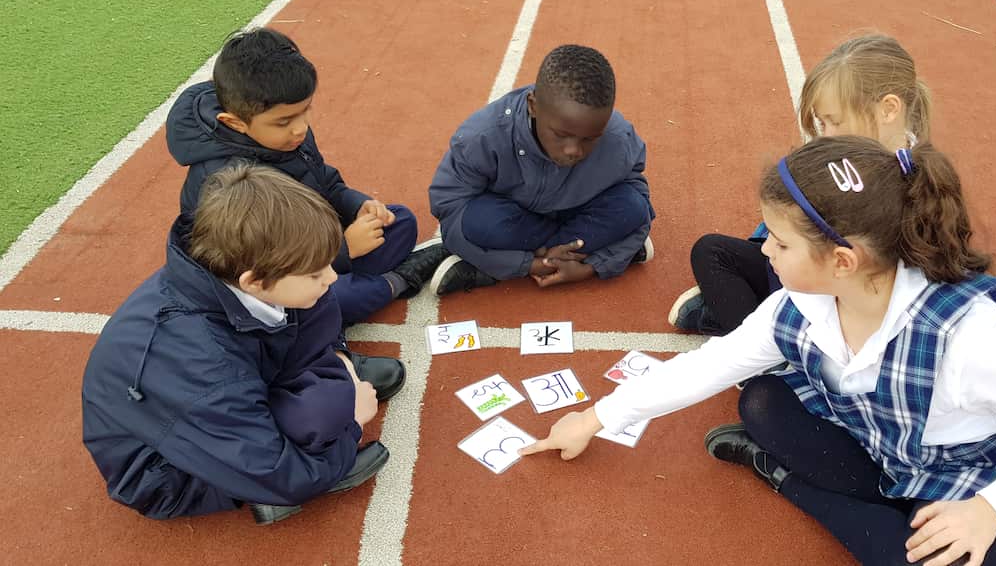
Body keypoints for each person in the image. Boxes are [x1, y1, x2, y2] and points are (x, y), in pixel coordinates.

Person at [523, 137, 996, 566]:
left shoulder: (965, 339)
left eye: (778, 240)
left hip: (968, 472)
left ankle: (786, 480)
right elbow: (707, 367)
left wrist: (991, 510)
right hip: (880, 446)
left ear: (842, 261)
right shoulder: (795, 308)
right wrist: (593, 418)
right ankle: (867, 501)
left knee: (951, 559)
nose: (764, 250)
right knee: (761, 403)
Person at [82, 165, 404, 526]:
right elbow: (283, 473)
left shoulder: (236, 269)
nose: (331, 276)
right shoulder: (205, 368)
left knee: (325, 369)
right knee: (327, 413)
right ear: (254, 282)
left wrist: (341, 359)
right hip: (165, 474)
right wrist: (354, 425)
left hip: (230, 387)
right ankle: (253, 492)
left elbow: (315, 318)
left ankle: (319, 411)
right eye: (316, 272)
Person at [166, 27, 447, 326]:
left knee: (399, 221)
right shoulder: (226, 181)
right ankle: (398, 280)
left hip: (315, 241)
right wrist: (343, 250)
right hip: (269, 277)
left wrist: (357, 204)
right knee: (334, 299)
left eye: (306, 111)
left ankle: (350, 282)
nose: (301, 128)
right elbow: (258, 267)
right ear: (234, 123)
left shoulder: (285, 134)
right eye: (285, 121)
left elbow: (323, 180)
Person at [670, 33, 929, 336]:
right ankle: (748, 325)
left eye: (835, 121)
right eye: (822, 123)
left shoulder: (912, 182)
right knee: (710, 250)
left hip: (834, 294)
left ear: (887, 109)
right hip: (797, 273)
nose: (826, 134)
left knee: (765, 355)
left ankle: (749, 332)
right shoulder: (839, 156)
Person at [427, 44, 654, 295]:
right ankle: (587, 252)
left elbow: (638, 202)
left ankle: (493, 268)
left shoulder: (618, 138)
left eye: (590, 138)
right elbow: (450, 210)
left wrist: (591, 267)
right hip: (516, 222)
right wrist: (528, 264)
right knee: (477, 222)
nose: (573, 150)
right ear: (533, 106)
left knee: (631, 207)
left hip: (577, 214)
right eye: (561, 135)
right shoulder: (482, 137)